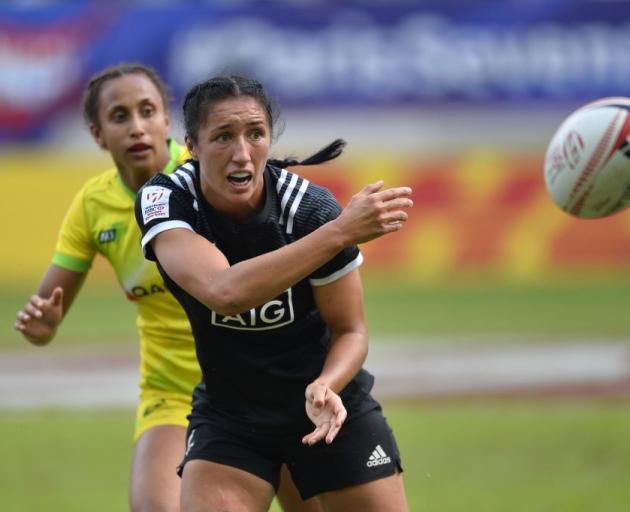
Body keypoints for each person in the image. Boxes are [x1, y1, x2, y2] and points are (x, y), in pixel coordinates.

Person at [14, 64, 324, 512]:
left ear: (167, 121)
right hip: (173, 391)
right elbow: (45, 315)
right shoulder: (93, 206)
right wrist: (41, 327)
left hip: (266, 379)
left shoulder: (216, 174)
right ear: (98, 134)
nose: (137, 127)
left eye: (147, 111)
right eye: (120, 117)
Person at [135, 74, 412, 511]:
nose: (242, 154)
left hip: (329, 409)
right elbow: (224, 292)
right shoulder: (167, 199)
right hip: (232, 417)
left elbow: (351, 331)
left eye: (255, 134)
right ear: (191, 144)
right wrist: (339, 233)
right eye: (223, 136)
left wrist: (325, 384)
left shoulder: (310, 210)